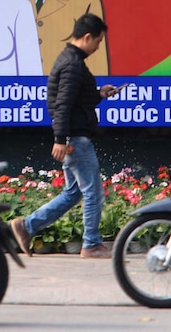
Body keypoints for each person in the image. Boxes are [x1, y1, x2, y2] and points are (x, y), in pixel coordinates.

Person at [10, 13, 115, 259]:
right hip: (76, 140)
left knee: (73, 192)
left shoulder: (70, 60)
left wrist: (99, 94)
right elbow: (63, 104)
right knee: (93, 192)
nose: (98, 47)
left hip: (73, 138)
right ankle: (91, 244)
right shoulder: (73, 64)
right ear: (87, 37)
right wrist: (60, 139)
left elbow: (74, 98)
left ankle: (27, 227)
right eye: (98, 41)